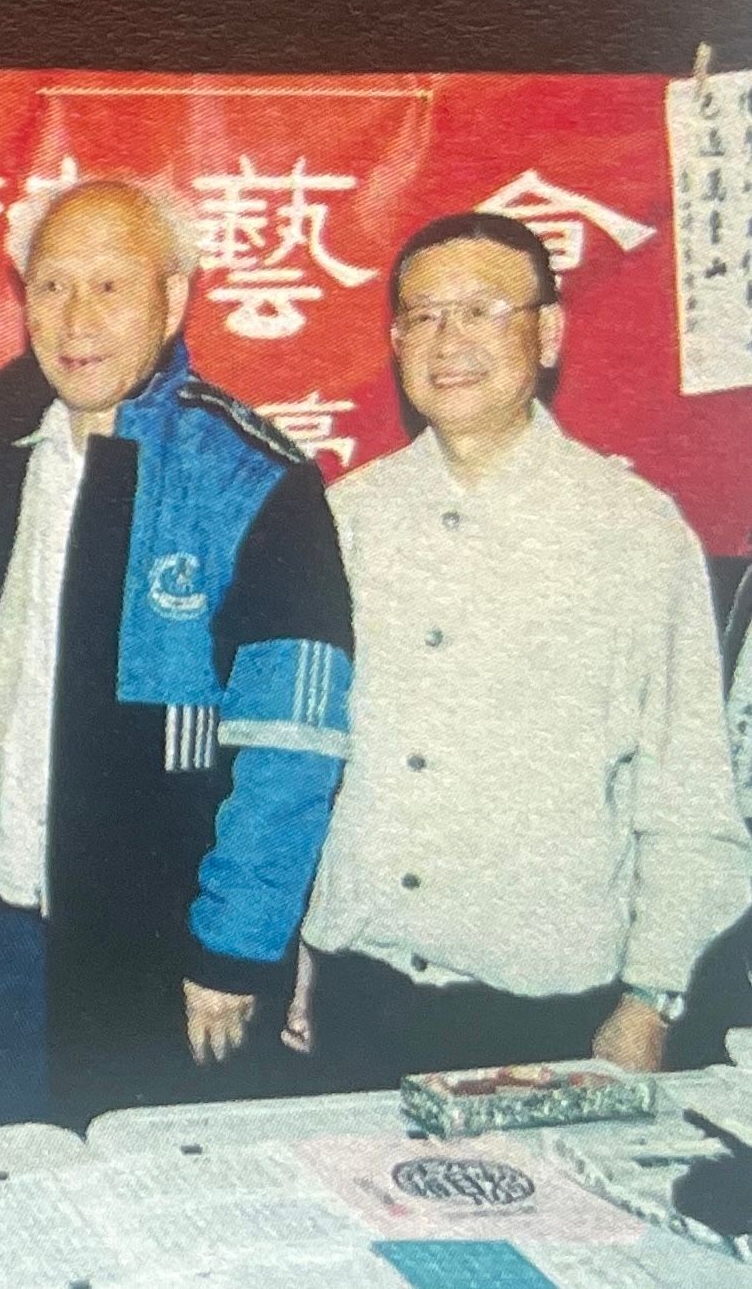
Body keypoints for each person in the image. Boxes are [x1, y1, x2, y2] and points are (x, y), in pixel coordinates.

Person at [0, 180, 353, 1130]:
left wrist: (232, 950)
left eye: (109, 287)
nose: (75, 319)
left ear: (173, 299)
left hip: (155, 944)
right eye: (50, 286)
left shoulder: (251, 479)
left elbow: (292, 747)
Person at [299, 212, 751, 1087]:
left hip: (546, 1011)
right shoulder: (346, 519)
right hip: (359, 990)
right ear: (393, 340)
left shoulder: (631, 531)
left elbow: (686, 789)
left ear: (547, 333)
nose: (448, 339)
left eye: (481, 310)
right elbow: (320, 762)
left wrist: (650, 997)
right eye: (422, 315)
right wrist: (303, 949)